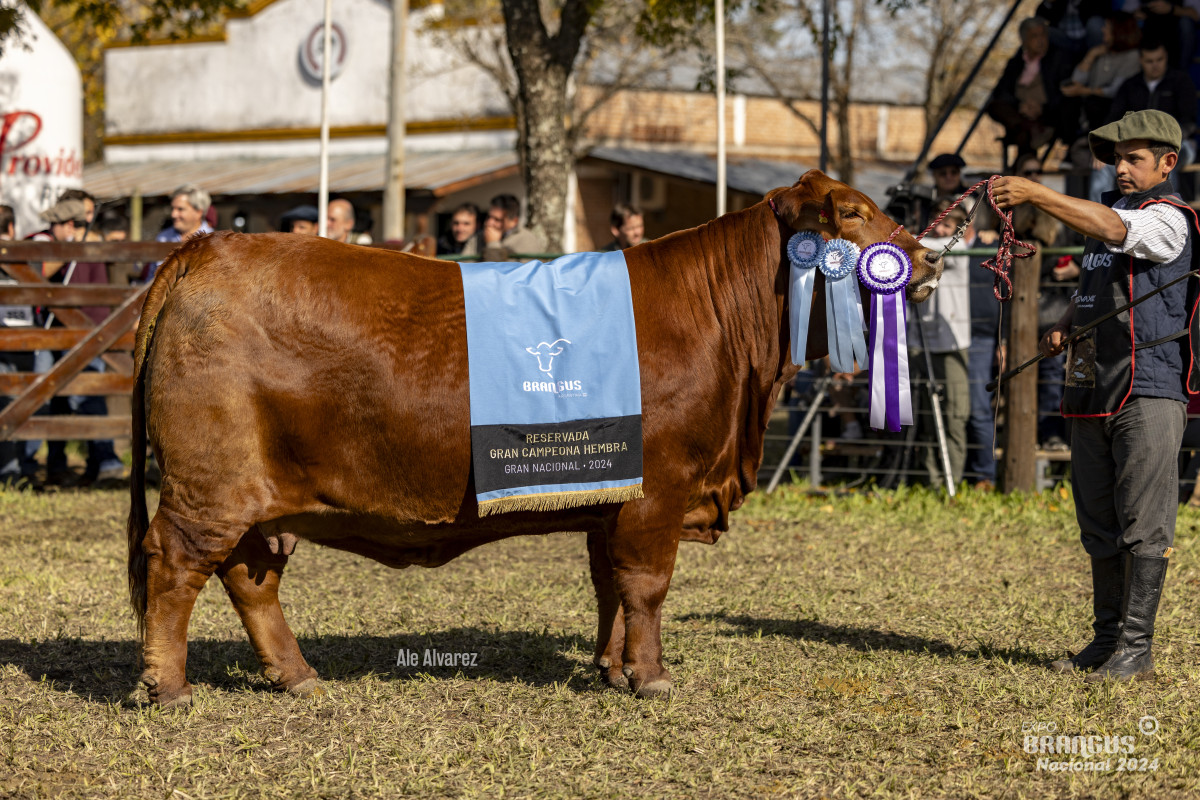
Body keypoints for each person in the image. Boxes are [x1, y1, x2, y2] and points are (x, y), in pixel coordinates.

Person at [992, 109, 1191, 682]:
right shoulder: (1108, 214)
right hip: (1090, 387)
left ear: (1167, 163)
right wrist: (1070, 328)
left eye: (1133, 158)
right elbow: (1102, 290)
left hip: (1147, 389)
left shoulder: (1172, 220)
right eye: (1115, 158)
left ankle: (1137, 648)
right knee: (1098, 521)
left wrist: (1035, 191)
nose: (1120, 168)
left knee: (1144, 524)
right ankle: (1107, 640)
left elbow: (1114, 231)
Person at [27, 198, 125, 487]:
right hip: (58, 328)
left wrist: (75, 246)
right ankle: (58, 463)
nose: (49, 228)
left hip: (86, 329)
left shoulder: (88, 245)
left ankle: (106, 460)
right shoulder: (65, 245)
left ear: (69, 224)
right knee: (47, 395)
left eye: (54, 224)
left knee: (85, 395)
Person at [910, 198, 973, 488]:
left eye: (949, 225)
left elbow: (949, 247)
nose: (942, 231)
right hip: (920, 342)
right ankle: (929, 480)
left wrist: (912, 241)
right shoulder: (919, 253)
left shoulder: (958, 250)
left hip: (952, 344)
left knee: (953, 417)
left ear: (963, 231)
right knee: (924, 418)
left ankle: (951, 481)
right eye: (938, 224)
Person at [1090, 40, 1198, 201]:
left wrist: (1169, 141)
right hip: (1136, 148)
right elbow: (1113, 120)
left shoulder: (1181, 81)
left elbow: (1189, 121)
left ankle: (1167, 210)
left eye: (1159, 60)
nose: (1155, 65)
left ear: (1166, 57)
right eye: (1149, 61)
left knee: (1165, 161)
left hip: (1180, 144)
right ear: (1141, 60)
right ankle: (1097, 220)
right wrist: (1103, 148)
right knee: (1102, 165)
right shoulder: (1130, 85)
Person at [986, 17, 1076, 163]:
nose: (1041, 40)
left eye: (1043, 35)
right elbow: (1000, 91)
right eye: (1035, 36)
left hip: (1048, 113)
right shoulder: (1016, 63)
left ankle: (1024, 162)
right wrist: (1020, 106)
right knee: (995, 106)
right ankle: (1027, 131)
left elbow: (1065, 90)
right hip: (1020, 114)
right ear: (1024, 40)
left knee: (1023, 132)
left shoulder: (1059, 58)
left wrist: (1041, 108)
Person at [1059, 11, 1142, 151]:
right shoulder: (1101, 52)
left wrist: (1083, 90)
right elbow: (1076, 80)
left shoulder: (1132, 56)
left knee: (1097, 104)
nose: (1103, 30)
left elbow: (1115, 90)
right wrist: (1090, 57)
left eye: (1107, 27)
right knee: (1067, 101)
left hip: (1114, 108)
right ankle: (1072, 145)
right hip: (1091, 105)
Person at [0, 203, 37, 487]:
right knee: (26, 401)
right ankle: (20, 467)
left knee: (10, 401)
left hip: (14, 338)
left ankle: (14, 468)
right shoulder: (27, 257)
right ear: (12, 229)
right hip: (27, 337)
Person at [143, 185, 213, 283]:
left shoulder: (213, 241)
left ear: (198, 212)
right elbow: (150, 279)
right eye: (173, 209)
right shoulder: (163, 238)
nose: (173, 214)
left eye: (180, 209)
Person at [482, 194, 545, 261]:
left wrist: (493, 244)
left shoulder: (526, 239)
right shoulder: (480, 235)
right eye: (488, 216)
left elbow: (503, 270)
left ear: (514, 221)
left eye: (497, 220)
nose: (488, 223)